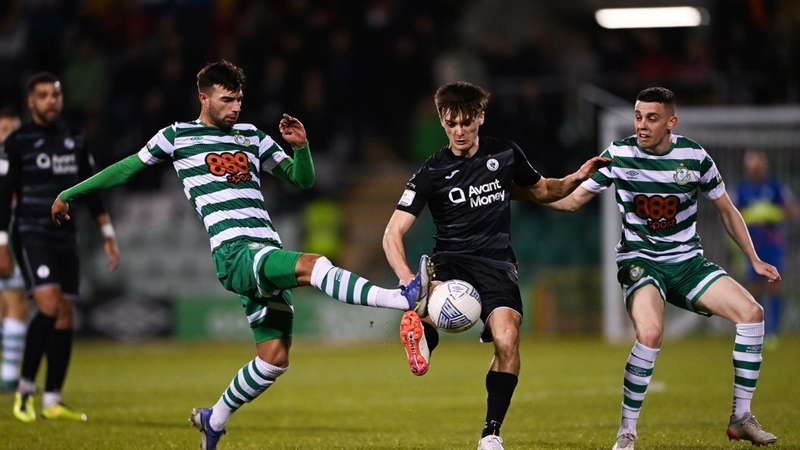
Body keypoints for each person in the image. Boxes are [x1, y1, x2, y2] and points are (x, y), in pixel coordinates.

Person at [50, 59, 429, 450]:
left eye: (239, 100)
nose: (235, 108)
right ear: (204, 98)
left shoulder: (252, 136)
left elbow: (302, 179)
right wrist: (69, 194)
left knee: (273, 359)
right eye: (226, 100)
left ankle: (213, 420)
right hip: (234, 253)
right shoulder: (176, 136)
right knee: (313, 264)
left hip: (265, 249)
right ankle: (402, 298)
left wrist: (301, 148)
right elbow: (125, 169)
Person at [537, 87, 778, 449]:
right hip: (640, 260)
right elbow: (572, 202)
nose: (642, 125)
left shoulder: (694, 157)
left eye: (652, 118)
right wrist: (528, 192)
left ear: (671, 122)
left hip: (687, 262)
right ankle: (626, 433)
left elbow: (727, 211)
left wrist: (754, 258)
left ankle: (741, 418)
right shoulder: (618, 154)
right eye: (638, 116)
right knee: (650, 333)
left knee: (752, 313)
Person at [382, 81, 611, 450]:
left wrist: (577, 177)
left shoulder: (505, 154)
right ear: (441, 122)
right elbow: (392, 233)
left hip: (496, 265)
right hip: (451, 261)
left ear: (480, 118)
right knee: (436, 305)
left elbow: (543, 191)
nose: (459, 131)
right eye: (451, 124)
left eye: (466, 122)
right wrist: (408, 278)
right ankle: (422, 335)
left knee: (507, 339)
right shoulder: (432, 171)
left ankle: (491, 433)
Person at [0, 72, 120, 422]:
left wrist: (107, 231)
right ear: (31, 101)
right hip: (31, 233)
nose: (51, 101)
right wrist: (2, 243)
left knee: (65, 313)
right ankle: (25, 390)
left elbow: (91, 188)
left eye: (55, 94)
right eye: (43, 95)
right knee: (50, 305)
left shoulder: (75, 138)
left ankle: (52, 398)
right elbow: (3, 196)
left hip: (66, 236)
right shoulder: (18, 141)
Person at [732, 150, 797, 348]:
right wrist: (749, 215)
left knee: (774, 285)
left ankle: (773, 331)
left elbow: (791, 211)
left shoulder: (776, 187)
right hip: (752, 246)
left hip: (773, 245)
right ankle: (755, 330)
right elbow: (731, 214)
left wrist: (772, 212)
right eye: (752, 166)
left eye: (758, 165)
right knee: (755, 288)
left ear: (764, 166)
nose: (756, 169)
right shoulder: (741, 190)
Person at [0, 108, 28, 394]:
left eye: (13, 129)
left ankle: (8, 375)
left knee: (9, 302)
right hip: (6, 239)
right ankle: (8, 375)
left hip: (15, 237)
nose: (9, 135)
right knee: (15, 301)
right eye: (3, 129)